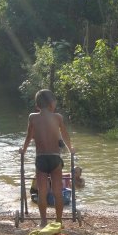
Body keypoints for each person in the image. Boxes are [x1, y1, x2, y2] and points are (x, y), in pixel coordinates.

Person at [19, 89, 74, 227]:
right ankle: (59, 221)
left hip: (41, 158)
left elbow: (29, 136)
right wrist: (70, 149)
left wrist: (23, 150)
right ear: (51, 104)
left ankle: (43, 221)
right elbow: (65, 135)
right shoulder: (58, 117)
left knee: (42, 192)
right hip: (55, 157)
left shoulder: (32, 117)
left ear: (37, 105)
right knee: (57, 191)